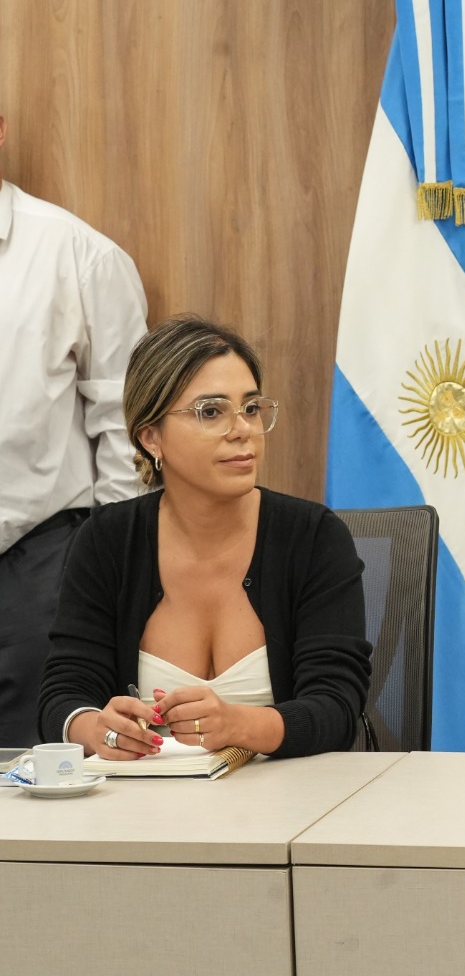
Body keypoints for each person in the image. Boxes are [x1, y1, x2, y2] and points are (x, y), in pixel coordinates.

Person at [37, 315, 372, 759]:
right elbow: (63, 693)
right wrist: (96, 728)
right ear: (151, 437)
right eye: (211, 412)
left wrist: (238, 724)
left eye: (250, 408)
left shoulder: (313, 536)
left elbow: (338, 708)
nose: (243, 430)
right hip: (144, 799)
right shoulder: (107, 541)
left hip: (291, 796)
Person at [0, 111, 148, 748]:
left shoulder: (79, 256)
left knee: (39, 769)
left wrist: (108, 569)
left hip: (36, 562)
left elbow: (127, 425)